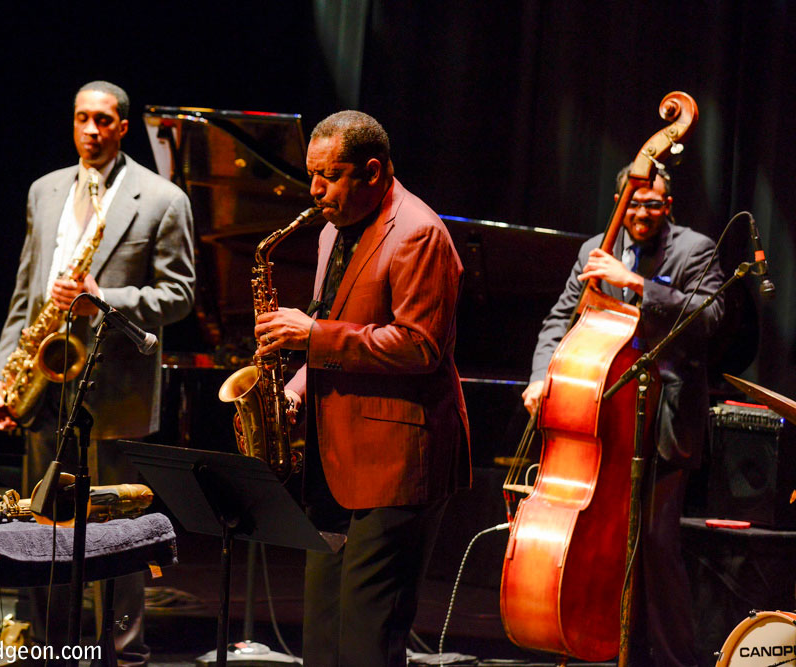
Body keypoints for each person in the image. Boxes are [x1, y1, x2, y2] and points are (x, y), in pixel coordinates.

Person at [0, 80, 195, 665]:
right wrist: (2, 374)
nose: (91, 130)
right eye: (82, 119)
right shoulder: (45, 190)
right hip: (46, 385)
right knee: (41, 524)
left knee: (116, 531)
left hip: (118, 392)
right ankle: (50, 650)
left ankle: (123, 653)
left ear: (123, 127)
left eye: (103, 120)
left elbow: (180, 295)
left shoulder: (163, 198)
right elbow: (26, 293)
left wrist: (106, 296)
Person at [254, 110, 470, 667]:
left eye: (330, 175)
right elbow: (336, 321)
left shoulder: (418, 234)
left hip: (395, 463)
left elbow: (420, 346)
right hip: (334, 458)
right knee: (323, 637)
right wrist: (298, 385)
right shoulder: (332, 230)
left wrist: (313, 335)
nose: (315, 190)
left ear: (372, 172)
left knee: (366, 641)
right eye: (311, 174)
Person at [522, 165, 724, 667]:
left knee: (654, 549)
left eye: (652, 205)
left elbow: (711, 320)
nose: (640, 214)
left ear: (668, 206)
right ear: (618, 201)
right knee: (600, 542)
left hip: (664, 419)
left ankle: (675, 660)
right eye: (632, 204)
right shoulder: (597, 245)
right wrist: (542, 375)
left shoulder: (694, 250)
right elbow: (561, 317)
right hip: (603, 415)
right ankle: (602, 647)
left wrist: (635, 283)